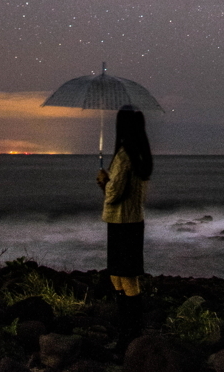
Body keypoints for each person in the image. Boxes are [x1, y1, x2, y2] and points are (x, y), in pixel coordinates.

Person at [96, 105, 153, 355]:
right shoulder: (142, 154)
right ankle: (130, 333)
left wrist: (103, 181)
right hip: (134, 221)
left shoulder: (123, 156)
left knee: (123, 276)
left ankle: (128, 337)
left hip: (121, 222)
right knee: (122, 275)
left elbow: (114, 193)